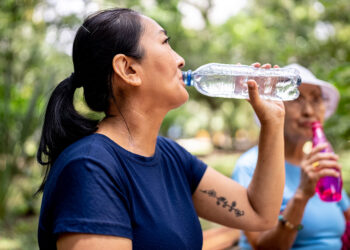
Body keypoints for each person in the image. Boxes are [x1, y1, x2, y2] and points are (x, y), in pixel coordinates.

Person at [37, 8, 286, 250]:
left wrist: (272, 124)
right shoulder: (90, 167)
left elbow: (259, 214)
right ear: (129, 69)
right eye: (165, 42)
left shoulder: (170, 157)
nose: (181, 60)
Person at [232, 63, 350, 250]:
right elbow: (263, 246)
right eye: (297, 98)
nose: (309, 111)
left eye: (316, 99)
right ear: (275, 106)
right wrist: (302, 195)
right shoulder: (249, 166)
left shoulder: (320, 163)